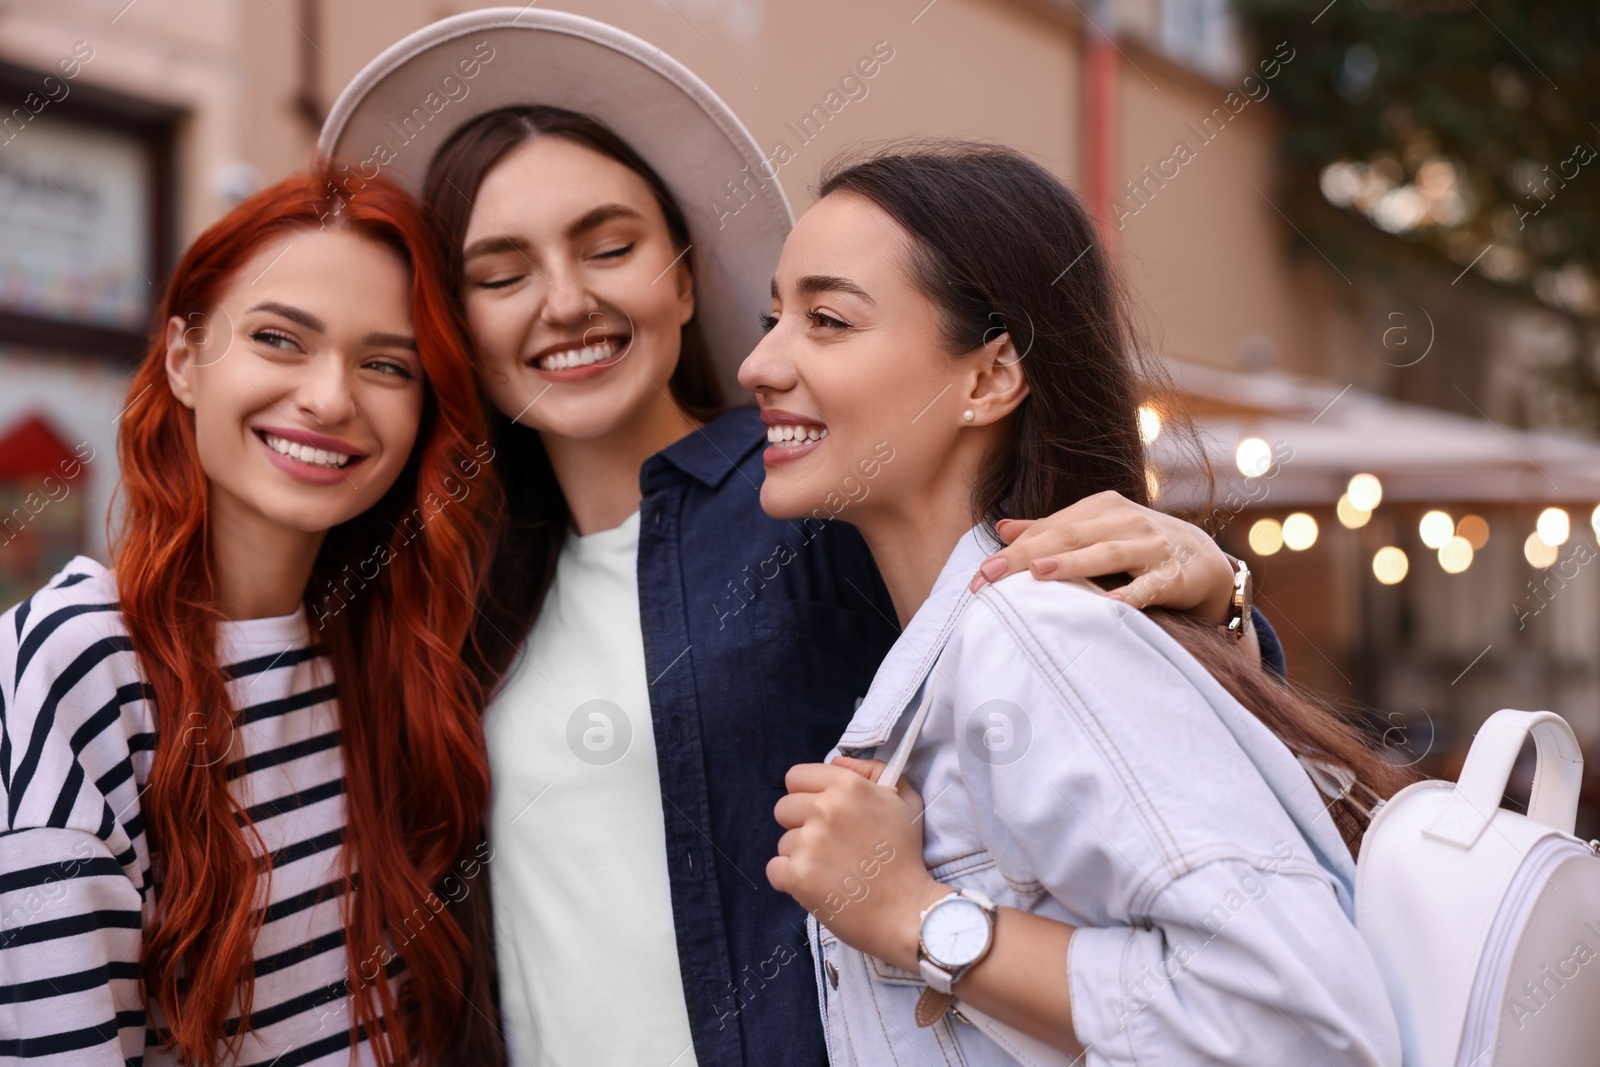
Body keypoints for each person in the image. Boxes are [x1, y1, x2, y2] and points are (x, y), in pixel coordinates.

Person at [318, 11, 1288, 1065]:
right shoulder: (461, 576)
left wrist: (1222, 606)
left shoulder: (809, 494)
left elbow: (1096, 675)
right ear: (454, 320)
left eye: (610, 246)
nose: (566, 299)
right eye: (501, 274)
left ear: (682, 276)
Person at [748, 143, 1408, 1065]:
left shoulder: (1036, 633)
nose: (759, 363)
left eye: (826, 320)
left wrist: (918, 916)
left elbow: (1300, 1026)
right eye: (771, 316)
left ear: (987, 379)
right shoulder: (982, 641)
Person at [0, 169, 500, 1066]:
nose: (330, 398)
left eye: (387, 364)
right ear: (185, 359)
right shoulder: (77, 665)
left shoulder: (391, 651)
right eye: (279, 339)